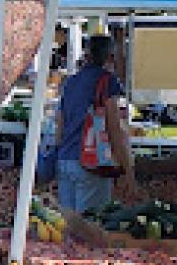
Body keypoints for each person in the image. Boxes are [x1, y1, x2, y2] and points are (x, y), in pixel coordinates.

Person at [54, 34, 134, 213]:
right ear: (110, 57)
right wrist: (128, 171)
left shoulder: (70, 82)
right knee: (89, 224)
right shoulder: (107, 82)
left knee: (67, 223)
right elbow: (114, 129)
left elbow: (59, 125)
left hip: (65, 159)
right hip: (91, 163)